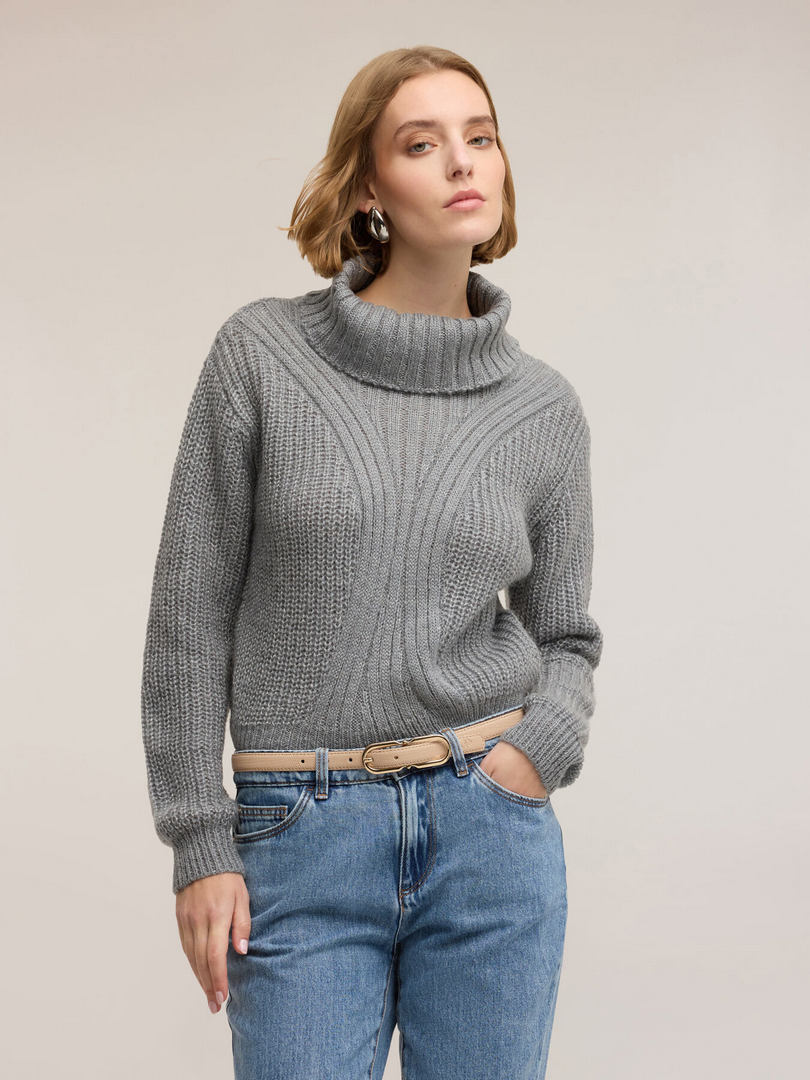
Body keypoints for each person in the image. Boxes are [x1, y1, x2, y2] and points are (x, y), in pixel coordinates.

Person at [140, 44, 604, 1080]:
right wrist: (199, 840)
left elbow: (565, 634)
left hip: (490, 836)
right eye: (421, 143)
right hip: (298, 833)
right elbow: (188, 615)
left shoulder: (542, 409)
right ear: (367, 186)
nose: (462, 162)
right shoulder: (262, 357)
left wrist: (534, 756)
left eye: (480, 136)